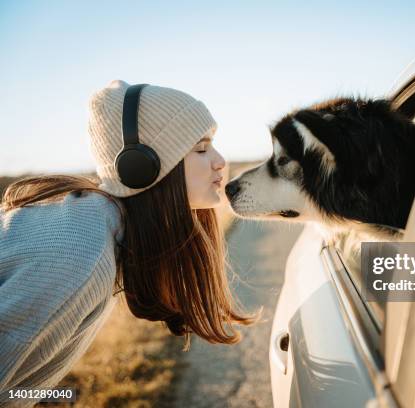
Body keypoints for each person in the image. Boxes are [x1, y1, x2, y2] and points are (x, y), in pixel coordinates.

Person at [0, 80, 256, 405]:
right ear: (139, 167)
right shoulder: (80, 256)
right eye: (201, 149)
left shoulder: (96, 228)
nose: (220, 161)